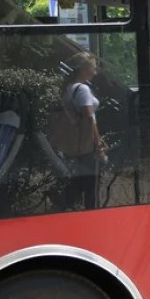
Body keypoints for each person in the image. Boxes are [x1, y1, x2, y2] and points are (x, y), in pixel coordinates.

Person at [61, 52, 107, 209]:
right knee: (91, 185)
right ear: (83, 70)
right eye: (92, 69)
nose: (95, 72)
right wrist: (99, 144)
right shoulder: (83, 90)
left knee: (81, 180)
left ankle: (65, 204)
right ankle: (89, 213)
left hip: (78, 141)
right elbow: (89, 119)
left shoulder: (70, 88)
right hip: (88, 144)